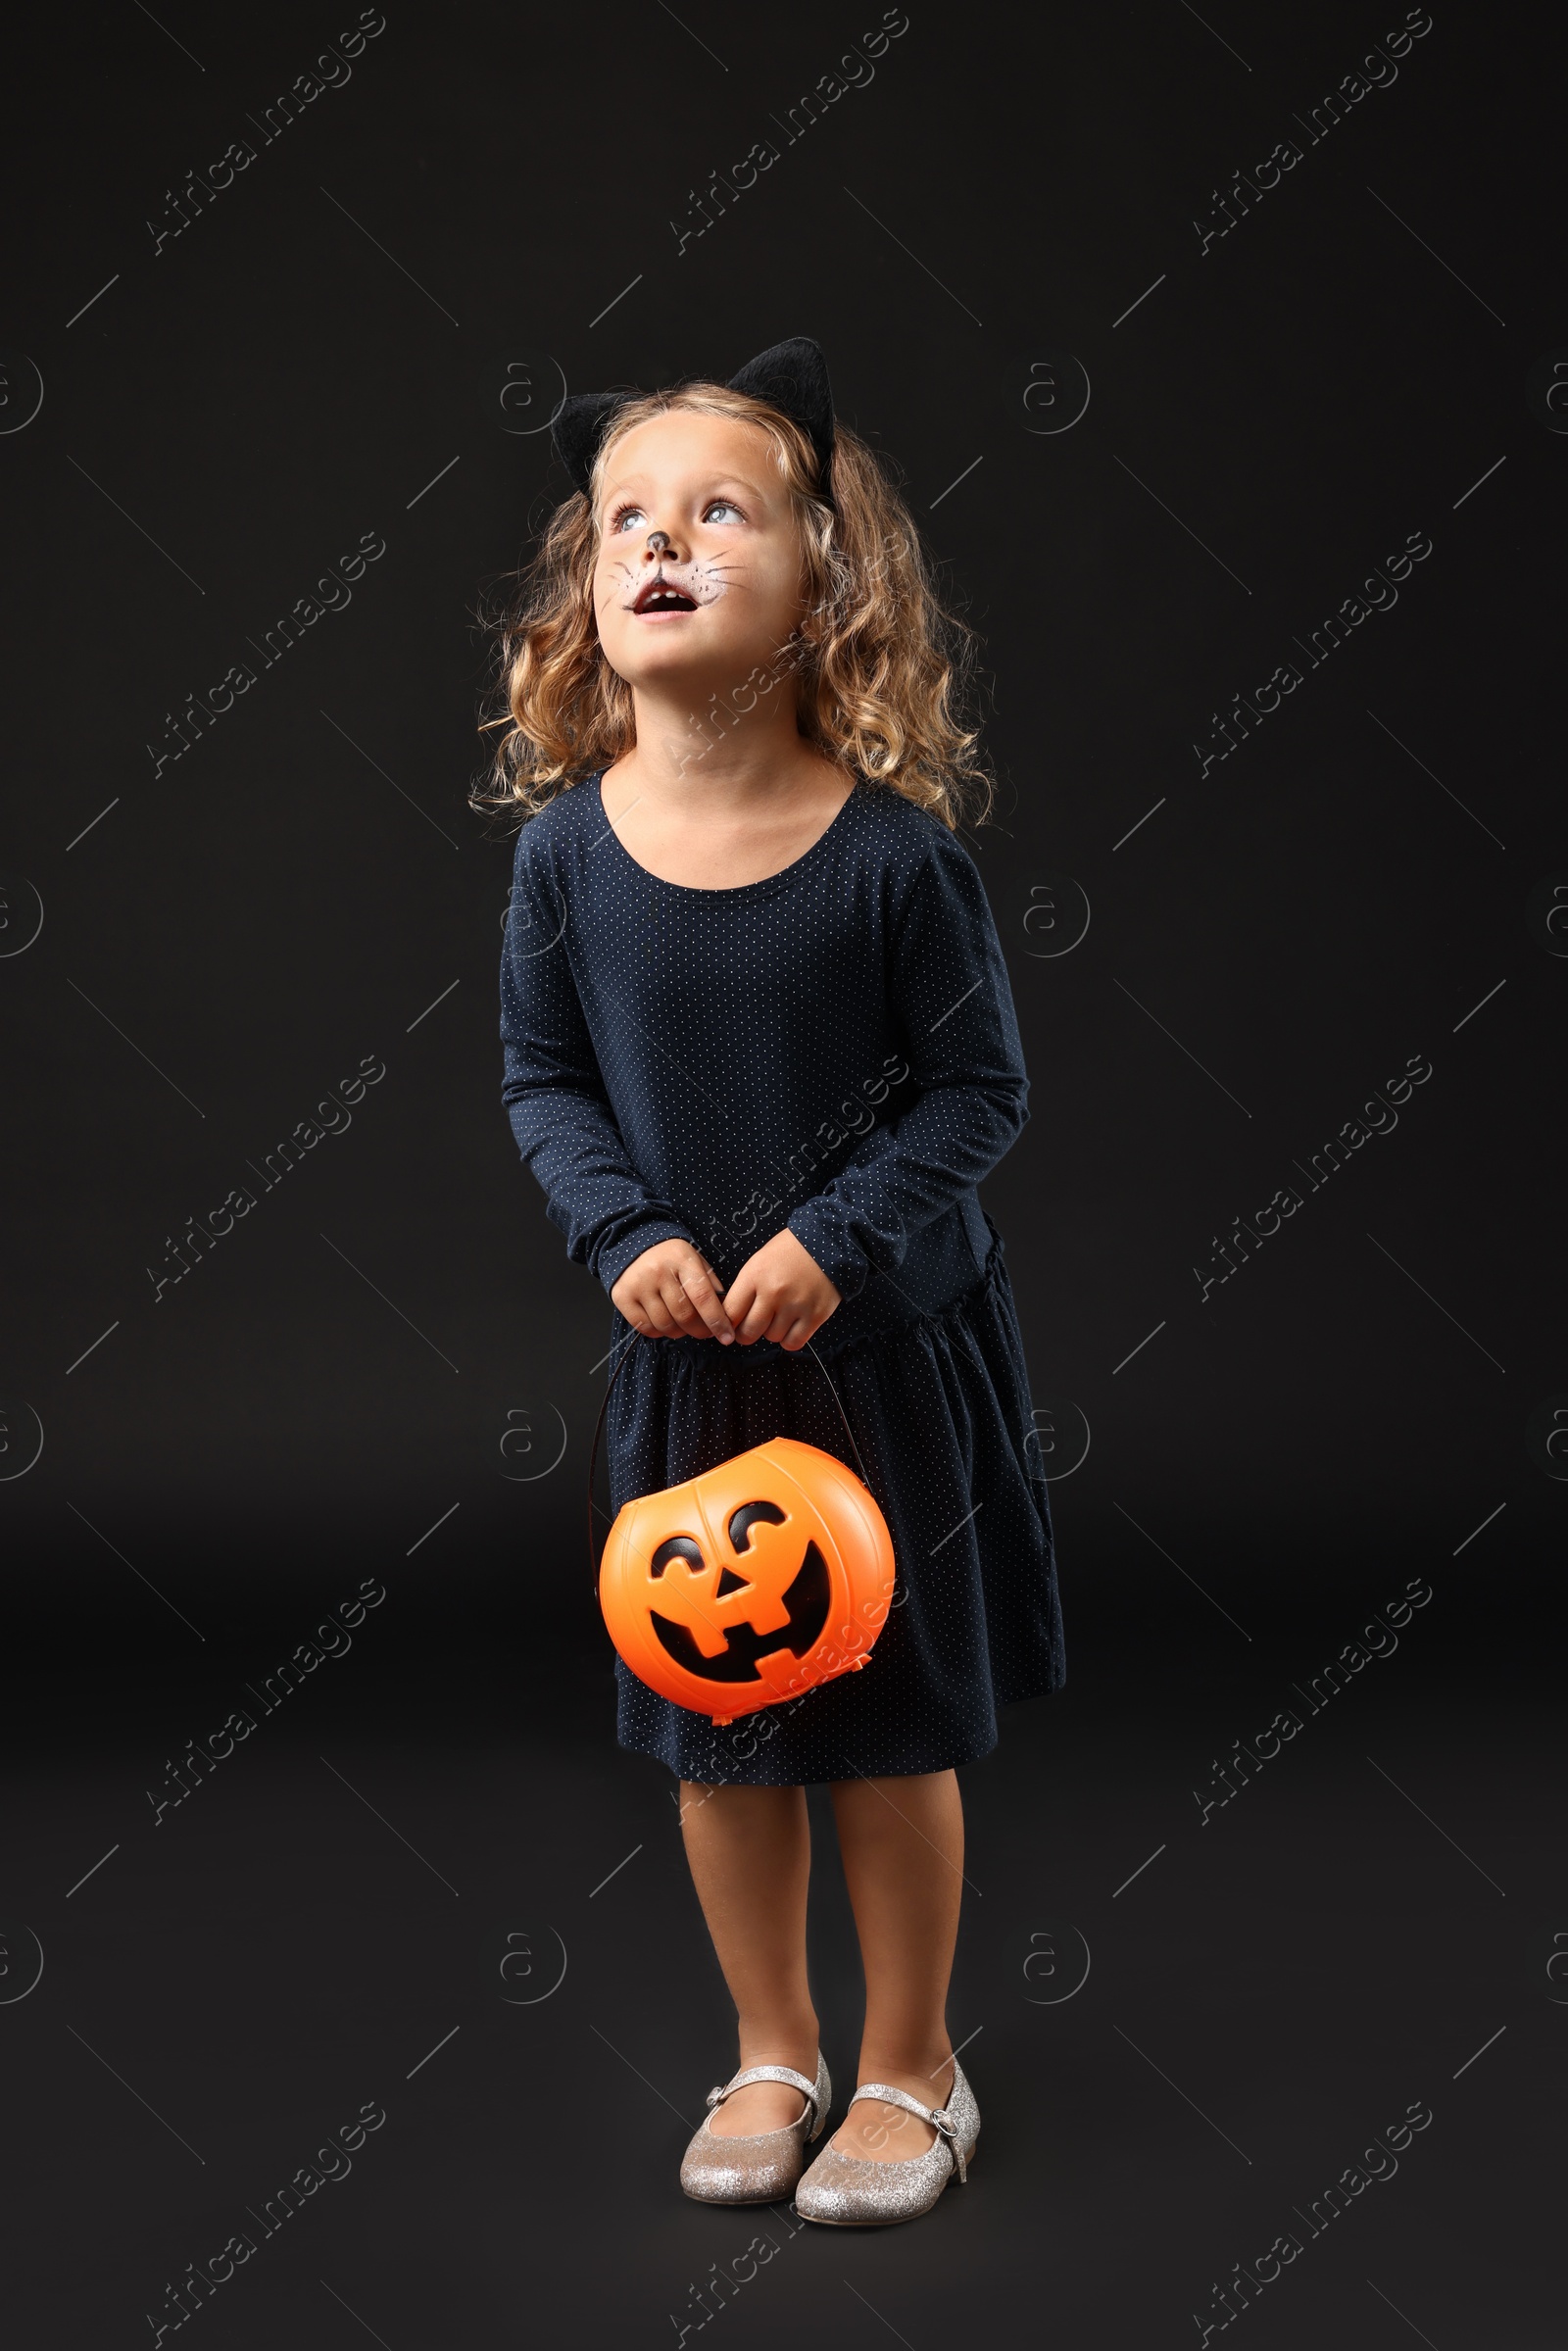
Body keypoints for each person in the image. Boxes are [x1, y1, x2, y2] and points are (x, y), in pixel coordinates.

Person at [485, 338, 1064, 2226]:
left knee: (890, 1725)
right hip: (692, 1379)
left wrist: (839, 1237)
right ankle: (771, 2043)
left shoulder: (899, 865)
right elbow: (544, 1080)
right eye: (624, 521)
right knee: (717, 1725)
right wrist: (625, 1237)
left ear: (828, 573)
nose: (659, 544)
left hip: (878, 1363)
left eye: (714, 511)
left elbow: (981, 1089)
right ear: (589, 591)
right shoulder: (568, 858)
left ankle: (914, 2063)